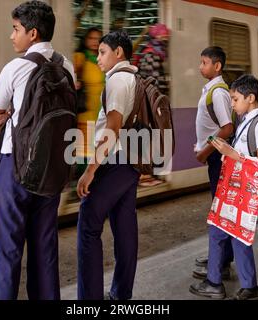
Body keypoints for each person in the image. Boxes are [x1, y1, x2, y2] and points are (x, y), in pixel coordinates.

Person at [0, 1, 75, 300]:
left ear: (32, 33)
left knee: (9, 252)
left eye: (16, 29)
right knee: (44, 248)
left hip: (15, 168)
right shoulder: (67, 66)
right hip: (51, 169)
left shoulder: (16, 67)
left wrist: (10, 113)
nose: (12, 36)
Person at [190, 74, 258, 300]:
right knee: (222, 232)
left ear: (251, 97)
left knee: (236, 236)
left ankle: (233, 284)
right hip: (233, 191)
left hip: (243, 193)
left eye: (235, 99)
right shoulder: (246, 120)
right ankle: (223, 282)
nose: (232, 104)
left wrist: (230, 153)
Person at [76, 30, 140, 300]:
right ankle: (121, 294)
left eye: (103, 52)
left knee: (88, 223)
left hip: (115, 161)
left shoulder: (117, 80)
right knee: (125, 228)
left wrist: (91, 170)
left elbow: (112, 126)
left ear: (119, 53)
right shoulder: (134, 78)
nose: (99, 57)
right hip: (132, 161)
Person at [192, 46, 234, 281]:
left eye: (204, 62)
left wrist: (205, 150)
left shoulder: (218, 92)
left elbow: (227, 128)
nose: (201, 67)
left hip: (218, 159)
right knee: (219, 208)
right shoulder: (212, 89)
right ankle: (219, 257)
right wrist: (202, 145)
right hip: (214, 156)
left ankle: (223, 263)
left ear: (217, 66)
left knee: (220, 211)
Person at [134, 23, 171, 187]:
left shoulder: (149, 53)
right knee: (149, 138)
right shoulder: (153, 55)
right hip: (149, 105)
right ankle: (144, 175)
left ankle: (146, 174)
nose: (165, 38)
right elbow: (156, 84)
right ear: (155, 36)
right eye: (162, 35)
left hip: (146, 104)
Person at [73, 27, 105, 159]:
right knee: (85, 150)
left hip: (101, 109)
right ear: (85, 40)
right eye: (91, 38)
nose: (95, 42)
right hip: (86, 110)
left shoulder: (103, 58)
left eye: (98, 39)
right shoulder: (80, 57)